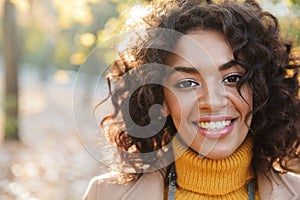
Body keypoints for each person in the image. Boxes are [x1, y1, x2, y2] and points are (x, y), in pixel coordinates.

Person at [83, 0, 300, 199]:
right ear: (160, 100)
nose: (213, 102)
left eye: (232, 78)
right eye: (187, 83)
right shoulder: (104, 194)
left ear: (261, 90)